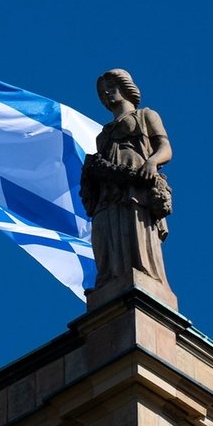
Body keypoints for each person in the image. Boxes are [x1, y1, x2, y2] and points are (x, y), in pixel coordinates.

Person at [80, 69, 174, 288]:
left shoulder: (145, 115)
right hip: (108, 192)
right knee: (106, 236)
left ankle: (144, 280)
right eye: (103, 93)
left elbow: (166, 148)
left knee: (136, 235)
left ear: (125, 88)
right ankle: (110, 282)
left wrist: (152, 162)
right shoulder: (102, 135)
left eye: (110, 88)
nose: (107, 94)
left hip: (137, 187)